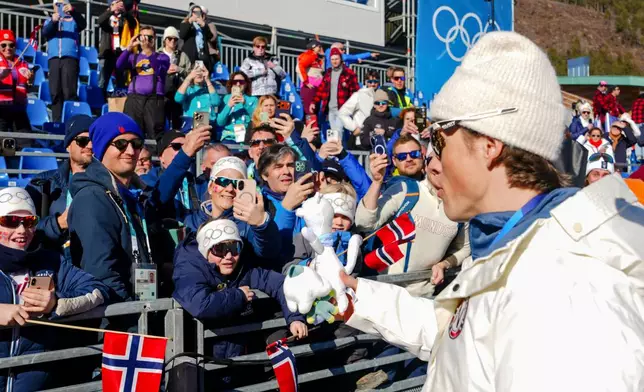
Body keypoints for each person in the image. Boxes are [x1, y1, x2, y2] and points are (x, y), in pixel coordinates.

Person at [338, 31, 644, 392]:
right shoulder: (516, 243)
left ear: (488, 146)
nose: (431, 160)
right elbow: (458, 337)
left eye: (437, 138)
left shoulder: (561, 292)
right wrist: (349, 294)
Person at [68, 113, 209, 302]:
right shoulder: (93, 198)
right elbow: (102, 274)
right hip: (120, 320)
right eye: (120, 144)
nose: (130, 151)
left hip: (143, 309)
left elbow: (158, 198)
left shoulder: (132, 195)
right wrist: (133, 318)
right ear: (100, 149)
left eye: (136, 144)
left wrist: (186, 154)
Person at [0, 187, 109, 392]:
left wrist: (56, 303)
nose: (22, 230)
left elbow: (97, 290)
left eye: (29, 221)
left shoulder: (49, 261)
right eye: (11, 222)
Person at [172, 219, 306, 381]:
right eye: (219, 249)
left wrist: (294, 318)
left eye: (234, 248)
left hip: (236, 361)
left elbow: (281, 284)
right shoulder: (190, 270)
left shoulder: (244, 270)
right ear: (206, 250)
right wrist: (239, 296)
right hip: (201, 364)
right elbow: (201, 304)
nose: (228, 256)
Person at [183, 157, 282, 265]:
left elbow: (269, 252)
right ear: (211, 187)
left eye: (237, 183)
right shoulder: (192, 221)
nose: (230, 188)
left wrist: (262, 224)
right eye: (223, 181)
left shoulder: (249, 223)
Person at [27, 115, 94, 252]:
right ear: (68, 146)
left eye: (95, 140)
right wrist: (59, 223)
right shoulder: (44, 183)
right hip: (56, 263)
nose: (90, 145)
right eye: (83, 140)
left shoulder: (106, 183)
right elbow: (24, 228)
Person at [258, 144, 316, 262]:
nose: (286, 172)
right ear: (264, 175)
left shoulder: (311, 200)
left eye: (290, 165)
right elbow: (271, 246)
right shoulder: (259, 205)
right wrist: (287, 206)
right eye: (278, 166)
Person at [116, 26, 169, 141]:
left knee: (155, 136)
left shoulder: (162, 57)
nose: (146, 40)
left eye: (149, 37)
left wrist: (148, 51)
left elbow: (157, 67)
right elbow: (118, 65)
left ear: (154, 39)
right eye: (143, 37)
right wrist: (129, 48)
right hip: (134, 100)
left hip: (154, 101)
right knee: (132, 135)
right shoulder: (134, 57)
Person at [42, 1, 86, 122]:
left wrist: (73, 11)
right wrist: (53, 21)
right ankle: (56, 123)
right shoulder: (49, 20)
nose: (60, 7)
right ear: (53, 6)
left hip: (70, 59)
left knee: (69, 92)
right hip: (54, 59)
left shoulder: (73, 20)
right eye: (57, 5)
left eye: (62, 4)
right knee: (55, 92)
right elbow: (45, 32)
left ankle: (71, 122)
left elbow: (83, 24)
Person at [309, 47, 360, 133]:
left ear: (341, 59)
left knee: (338, 131)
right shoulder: (328, 73)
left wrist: (354, 106)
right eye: (332, 59)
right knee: (334, 131)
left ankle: (339, 146)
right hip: (330, 109)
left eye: (336, 59)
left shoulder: (349, 73)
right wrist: (314, 102)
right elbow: (321, 90)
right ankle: (342, 146)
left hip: (343, 108)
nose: (334, 61)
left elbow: (355, 91)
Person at [96, 0, 139, 97]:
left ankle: (119, 101)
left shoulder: (124, 19)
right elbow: (100, 21)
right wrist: (111, 10)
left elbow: (133, 24)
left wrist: (125, 12)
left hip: (119, 54)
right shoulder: (107, 16)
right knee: (103, 81)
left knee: (120, 81)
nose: (117, 6)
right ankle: (101, 102)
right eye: (115, 4)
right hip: (107, 54)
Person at [0, 29, 33, 133]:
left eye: (11, 45)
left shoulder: (22, 63)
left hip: (18, 108)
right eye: (3, 45)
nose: (7, 48)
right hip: (1, 108)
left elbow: (27, 88)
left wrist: (30, 80)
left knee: (26, 141)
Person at [339, 70, 381, 150]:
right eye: (370, 81)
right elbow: (342, 113)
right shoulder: (359, 95)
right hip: (361, 140)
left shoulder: (380, 96)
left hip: (376, 140)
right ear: (365, 82)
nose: (372, 84)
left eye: (375, 81)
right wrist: (354, 127)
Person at [160, 26, 191, 129]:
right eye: (170, 38)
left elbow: (190, 74)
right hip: (162, 93)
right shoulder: (157, 54)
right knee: (161, 120)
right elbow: (152, 73)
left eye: (175, 39)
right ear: (165, 40)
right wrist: (165, 71)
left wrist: (179, 69)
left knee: (177, 122)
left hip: (178, 92)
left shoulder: (183, 55)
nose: (172, 41)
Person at [216, 71, 258, 142]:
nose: (238, 84)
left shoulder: (253, 99)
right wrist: (229, 105)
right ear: (231, 84)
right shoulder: (225, 98)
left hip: (246, 137)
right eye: (235, 82)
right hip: (229, 137)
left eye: (241, 82)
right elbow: (220, 122)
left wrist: (245, 104)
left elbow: (257, 118)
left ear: (246, 84)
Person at [180, 4, 214, 73]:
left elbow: (210, 36)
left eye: (199, 12)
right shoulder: (186, 23)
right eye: (195, 12)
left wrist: (204, 25)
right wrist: (190, 21)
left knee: (200, 77)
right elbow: (182, 35)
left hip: (202, 56)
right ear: (191, 13)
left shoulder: (203, 25)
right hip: (190, 57)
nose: (197, 14)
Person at [297, 39, 325, 115]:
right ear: (313, 47)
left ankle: (314, 126)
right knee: (310, 111)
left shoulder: (316, 57)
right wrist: (306, 82)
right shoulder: (309, 56)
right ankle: (310, 126)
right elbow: (300, 66)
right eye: (319, 46)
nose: (320, 48)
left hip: (316, 88)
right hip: (309, 89)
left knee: (314, 111)